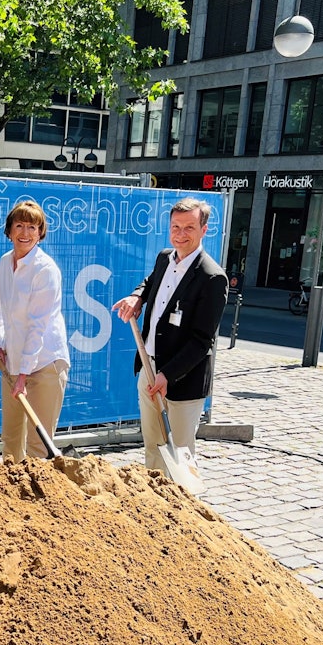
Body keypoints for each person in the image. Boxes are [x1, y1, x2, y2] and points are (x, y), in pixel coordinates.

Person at [111, 197, 228, 471]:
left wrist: (168, 375)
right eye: (176, 226)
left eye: (189, 227)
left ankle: (184, 507)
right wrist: (137, 297)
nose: (181, 234)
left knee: (180, 453)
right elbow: (150, 283)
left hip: (183, 380)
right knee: (153, 446)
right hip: (149, 367)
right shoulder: (164, 258)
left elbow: (202, 341)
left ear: (204, 229)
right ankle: (155, 504)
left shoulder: (212, 277)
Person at [0, 200, 70, 462]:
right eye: (19, 225)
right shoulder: (4, 263)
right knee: (11, 442)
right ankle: (11, 500)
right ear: (9, 230)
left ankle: (37, 502)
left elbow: (38, 326)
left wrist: (23, 373)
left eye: (32, 227)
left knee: (37, 447)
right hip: (13, 362)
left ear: (40, 232)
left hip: (45, 365)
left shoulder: (46, 270)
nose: (25, 233)